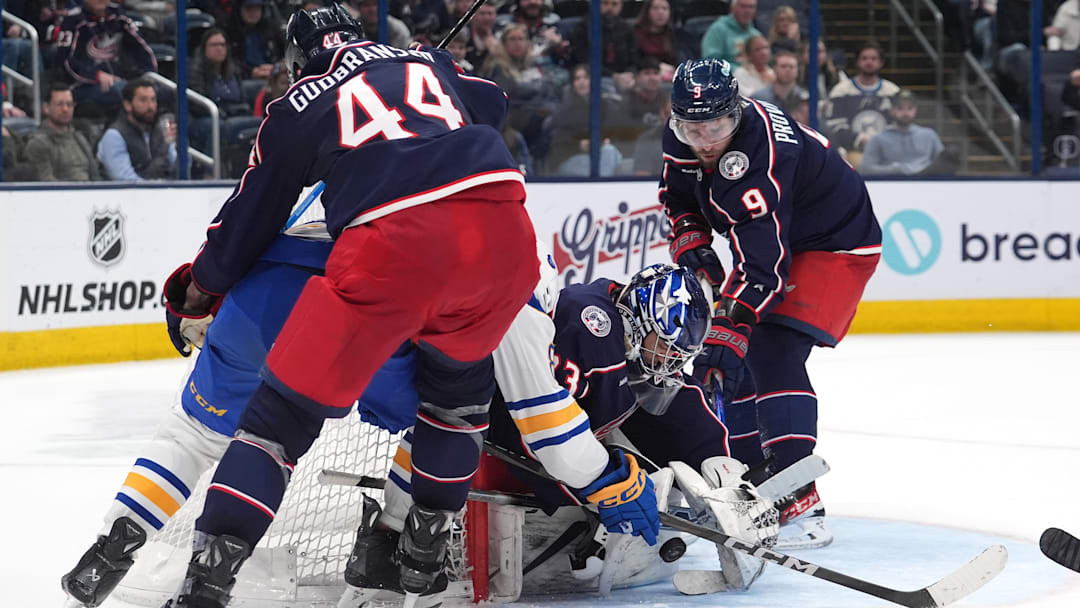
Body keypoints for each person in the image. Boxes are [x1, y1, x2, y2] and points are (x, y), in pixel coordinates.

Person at [159, 5, 540, 606]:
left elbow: (250, 218)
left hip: (394, 247)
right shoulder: (426, 61)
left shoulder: (297, 104)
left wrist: (200, 288)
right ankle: (424, 549)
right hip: (504, 239)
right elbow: (493, 102)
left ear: (297, 60)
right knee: (456, 401)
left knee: (278, 423)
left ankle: (208, 580)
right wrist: (430, 67)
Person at [341, 263, 781, 606]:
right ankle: (400, 539)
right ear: (641, 320)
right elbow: (540, 430)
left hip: (512, 430)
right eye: (666, 347)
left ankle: (391, 540)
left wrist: (719, 462)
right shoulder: (591, 329)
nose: (671, 361)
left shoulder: (627, 336)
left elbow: (672, 398)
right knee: (453, 435)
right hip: (496, 434)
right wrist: (604, 485)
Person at [58, 220, 425, 607]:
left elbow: (243, 218)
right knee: (442, 418)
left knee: (192, 435)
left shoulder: (307, 183)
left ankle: (111, 549)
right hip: (362, 309)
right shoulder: (424, 189)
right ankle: (388, 541)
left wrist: (195, 292)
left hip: (259, 297)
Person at [659, 58, 882, 550]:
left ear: (735, 112)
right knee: (736, 365)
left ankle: (796, 496)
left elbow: (764, 269)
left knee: (770, 348)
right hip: (788, 238)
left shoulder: (758, 160)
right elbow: (678, 198)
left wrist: (730, 329)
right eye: (692, 129)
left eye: (716, 128)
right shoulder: (685, 133)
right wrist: (693, 244)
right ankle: (746, 485)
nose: (704, 141)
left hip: (835, 244)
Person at [52, 0, 157, 107]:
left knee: (157, 90)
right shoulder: (73, 20)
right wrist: (97, 75)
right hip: (82, 84)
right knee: (128, 93)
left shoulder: (118, 16)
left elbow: (141, 49)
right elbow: (65, 61)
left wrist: (149, 74)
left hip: (118, 79)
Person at [823, 40, 900, 168]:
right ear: (857, 62)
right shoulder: (842, 91)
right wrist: (858, 139)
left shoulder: (892, 91)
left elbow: (899, 124)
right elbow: (835, 126)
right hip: (852, 151)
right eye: (864, 58)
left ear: (881, 62)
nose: (869, 62)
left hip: (888, 151)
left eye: (873, 59)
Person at [97, 78, 177, 180]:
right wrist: (158, 187)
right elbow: (124, 179)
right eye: (143, 100)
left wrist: (181, 145)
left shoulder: (160, 130)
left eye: (153, 100)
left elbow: (178, 168)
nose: (150, 106)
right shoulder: (114, 136)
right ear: (128, 105)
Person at [23, 82, 100, 181]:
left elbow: (95, 175)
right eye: (59, 104)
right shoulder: (38, 143)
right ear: (46, 108)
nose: (65, 109)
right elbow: (46, 183)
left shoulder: (79, 136)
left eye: (69, 104)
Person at [860, 90, 945, 175]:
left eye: (910, 108)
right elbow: (866, 169)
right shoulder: (878, 138)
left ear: (915, 110)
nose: (905, 113)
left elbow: (943, 164)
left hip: (926, 180)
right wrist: (896, 170)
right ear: (892, 110)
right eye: (900, 108)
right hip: (892, 181)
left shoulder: (929, 135)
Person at [569, 0, 639, 78]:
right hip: (593, 77)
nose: (609, 8)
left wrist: (629, 73)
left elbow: (633, 58)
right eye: (605, 3)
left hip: (624, 76)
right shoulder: (583, 28)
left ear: (621, 6)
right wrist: (613, 75)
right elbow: (584, 60)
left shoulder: (626, 28)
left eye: (614, 4)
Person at [226, 0, 285, 79]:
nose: (253, 13)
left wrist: (277, 67)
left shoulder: (272, 29)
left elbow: (287, 53)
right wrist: (250, 72)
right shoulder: (229, 32)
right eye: (249, 9)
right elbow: (228, 61)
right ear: (239, 10)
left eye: (257, 9)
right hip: (243, 79)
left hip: (273, 76)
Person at [701, 0, 762, 66]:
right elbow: (711, 61)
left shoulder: (756, 34)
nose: (747, 11)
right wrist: (735, 69)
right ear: (732, 8)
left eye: (751, 7)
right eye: (743, 6)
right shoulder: (717, 30)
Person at [750, 49, 806, 115]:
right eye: (783, 66)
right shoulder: (758, 99)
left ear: (797, 70)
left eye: (791, 67)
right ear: (774, 69)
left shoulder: (805, 99)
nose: (787, 70)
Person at [632, 0, 679, 72]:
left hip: (670, 73)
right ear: (647, 11)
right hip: (644, 72)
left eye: (664, 8)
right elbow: (635, 59)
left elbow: (678, 58)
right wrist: (658, 65)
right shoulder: (635, 32)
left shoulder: (674, 33)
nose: (660, 12)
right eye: (655, 8)